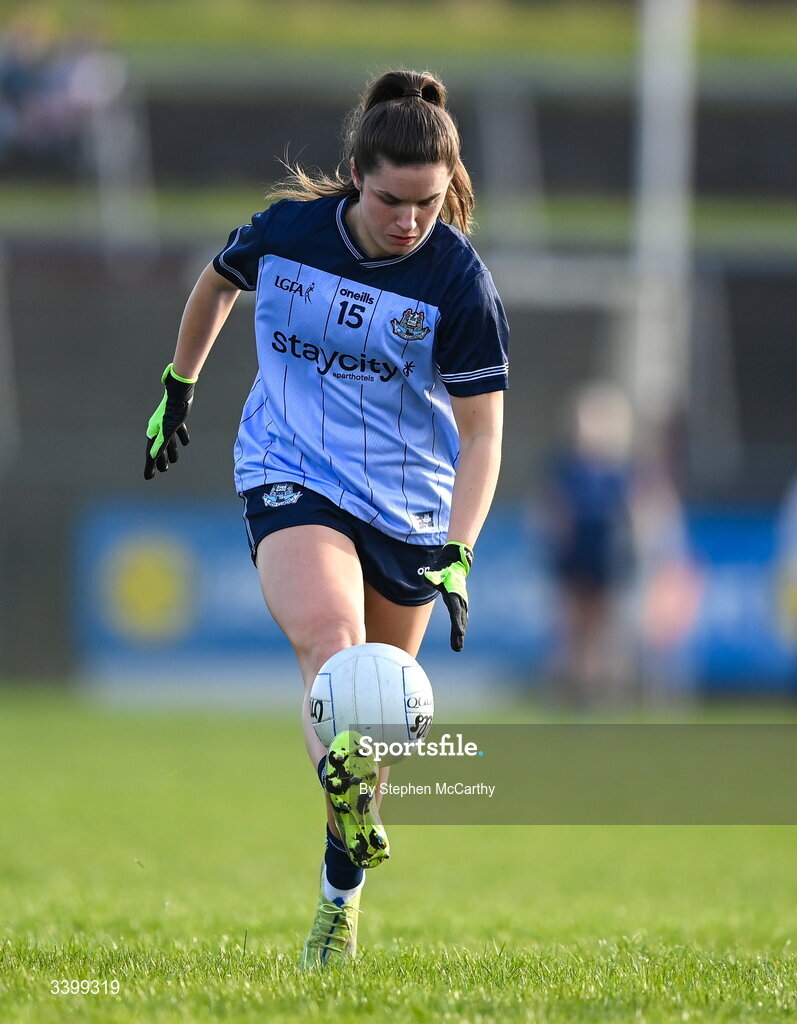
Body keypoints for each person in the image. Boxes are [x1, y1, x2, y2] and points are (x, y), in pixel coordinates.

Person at [143, 69, 508, 966]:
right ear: (354, 173)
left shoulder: (456, 280)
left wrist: (458, 551)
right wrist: (179, 383)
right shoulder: (291, 231)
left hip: (408, 503)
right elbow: (217, 283)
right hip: (290, 468)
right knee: (331, 644)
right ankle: (345, 813)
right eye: (391, 199)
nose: (409, 222)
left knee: (374, 713)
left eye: (427, 203)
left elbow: (483, 433)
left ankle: (339, 898)